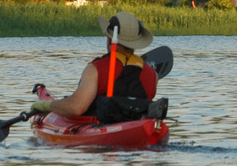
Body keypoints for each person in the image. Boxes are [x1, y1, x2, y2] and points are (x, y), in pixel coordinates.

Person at [30, 14, 160, 124]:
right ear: (136, 42)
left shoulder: (95, 69)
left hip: (101, 130)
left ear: (110, 39)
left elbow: (76, 108)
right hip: (136, 129)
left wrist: (45, 106)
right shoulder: (152, 74)